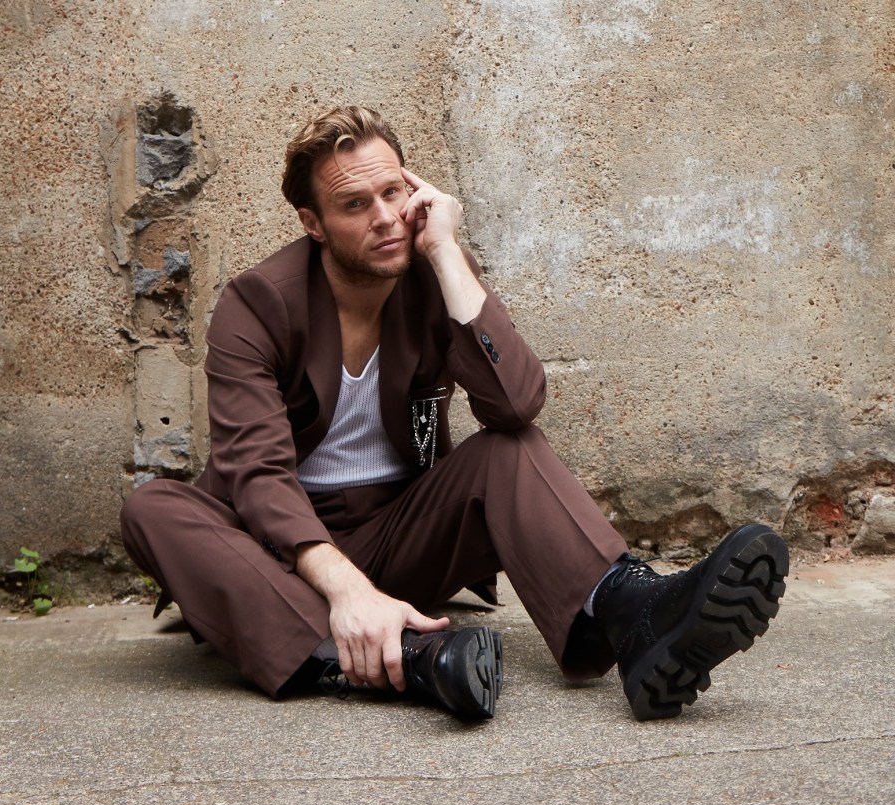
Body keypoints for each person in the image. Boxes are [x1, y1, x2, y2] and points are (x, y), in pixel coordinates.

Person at [120, 105, 789, 721]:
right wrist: (347, 591)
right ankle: (406, 662)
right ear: (313, 224)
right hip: (280, 557)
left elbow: (516, 402)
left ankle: (635, 614)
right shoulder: (259, 304)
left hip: (398, 533)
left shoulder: (434, 272)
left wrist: (444, 253)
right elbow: (258, 475)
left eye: (393, 193)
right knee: (153, 509)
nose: (384, 217)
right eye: (355, 204)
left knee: (508, 448)